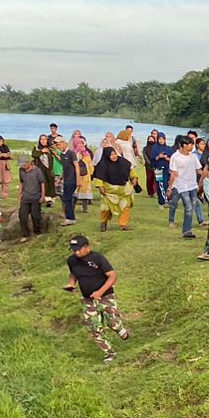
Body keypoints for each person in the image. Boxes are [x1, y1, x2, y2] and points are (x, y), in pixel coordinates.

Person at [62, 235, 131, 363]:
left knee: (112, 322)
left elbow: (112, 276)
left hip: (105, 296)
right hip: (88, 300)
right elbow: (73, 273)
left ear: (87, 247)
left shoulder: (97, 258)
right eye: (73, 249)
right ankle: (110, 353)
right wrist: (71, 283)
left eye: (78, 249)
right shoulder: (71, 261)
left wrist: (100, 292)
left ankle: (120, 329)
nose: (76, 252)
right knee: (94, 328)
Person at [92, 143, 135, 233]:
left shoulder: (123, 162)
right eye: (111, 155)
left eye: (114, 154)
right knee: (106, 209)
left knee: (125, 207)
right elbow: (99, 177)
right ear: (107, 156)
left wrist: (134, 178)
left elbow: (131, 169)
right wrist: (100, 186)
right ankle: (103, 223)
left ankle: (123, 224)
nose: (114, 156)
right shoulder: (102, 165)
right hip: (109, 192)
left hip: (124, 191)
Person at [166, 135, 202, 239]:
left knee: (192, 206)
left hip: (192, 185)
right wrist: (170, 188)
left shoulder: (193, 156)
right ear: (182, 145)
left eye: (192, 144)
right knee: (187, 206)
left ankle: (187, 229)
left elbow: (198, 169)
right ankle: (186, 230)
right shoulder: (175, 157)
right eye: (189, 144)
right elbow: (173, 173)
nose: (191, 147)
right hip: (181, 185)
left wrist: (205, 174)